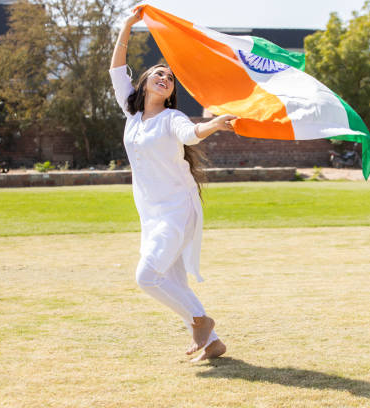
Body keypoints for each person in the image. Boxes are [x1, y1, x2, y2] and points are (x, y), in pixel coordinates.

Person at [109, 10, 235, 361]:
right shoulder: (132, 115)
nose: (166, 77)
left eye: (170, 78)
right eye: (159, 73)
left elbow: (191, 134)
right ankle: (213, 342)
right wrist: (126, 26)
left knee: (147, 276)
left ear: (170, 92)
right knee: (172, 280)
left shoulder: (172, 118)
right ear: (146, 82)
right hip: (152, 213)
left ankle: (200, 320)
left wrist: (214, 125)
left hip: (178, 210)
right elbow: (117, 71)